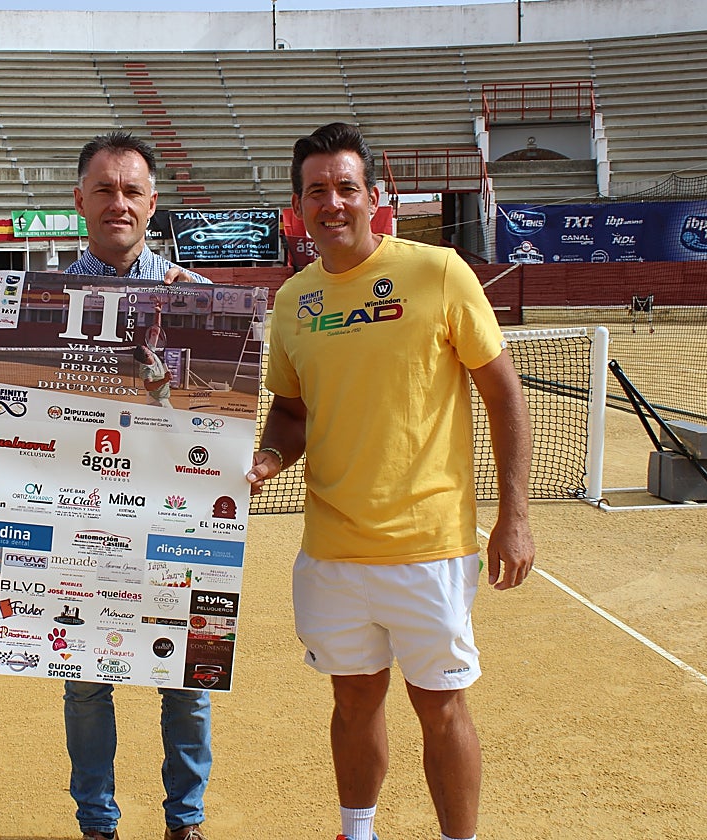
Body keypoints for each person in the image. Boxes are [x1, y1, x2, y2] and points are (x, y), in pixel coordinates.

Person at [246, 122, 535, 840]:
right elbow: (290, 412)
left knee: (441, 708)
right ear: (298, 208)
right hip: (332, 553)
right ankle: (358, 830)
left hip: (428, 548)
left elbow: (504, 394)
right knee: (353, 702)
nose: (333, 202)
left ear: (373, 197)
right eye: (317, 191)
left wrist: (515, 516)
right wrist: (269, 460)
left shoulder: (438, 273)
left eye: (347, 187)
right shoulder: (292, 302)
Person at [63, 131, 212, 840]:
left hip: (175, 517)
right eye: (104, 189)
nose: (117, 202)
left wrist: (206, 327)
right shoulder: (43, 301)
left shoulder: (202, 301)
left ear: (152, 203)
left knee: (185, 680)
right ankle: (98, 823)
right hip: (79, 518)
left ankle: (185, 822)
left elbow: (218, 415)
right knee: (87, 680)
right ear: (80, 199)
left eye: (131, 190)